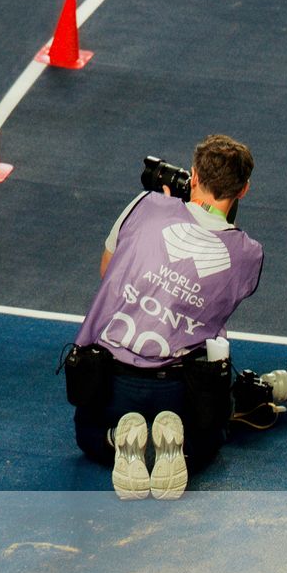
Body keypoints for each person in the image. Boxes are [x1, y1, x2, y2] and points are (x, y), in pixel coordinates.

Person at [68, 135, 264, 497]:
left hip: (111, 382)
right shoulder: (249, 254)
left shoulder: (146, 205)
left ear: (193, 175)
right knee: (214, 436)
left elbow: (107, 270)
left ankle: (118, 441)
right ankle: (176, 449)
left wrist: (166, 207)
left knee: (87, 435)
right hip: (178, 389)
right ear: (244, 190)